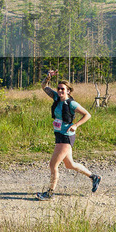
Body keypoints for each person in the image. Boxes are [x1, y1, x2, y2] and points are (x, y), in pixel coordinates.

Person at [36, 69, 100, 200]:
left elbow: (87, 114)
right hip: (59, 135)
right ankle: (94, 177)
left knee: (53, 165)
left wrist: (76, 125)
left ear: (68, 91)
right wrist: (47, 78)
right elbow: (44, 87)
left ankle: (49, 193)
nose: (60, 91)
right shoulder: (55, 97)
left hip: (66, 136)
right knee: (69, 165)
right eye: (59, 88)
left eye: (62, 89)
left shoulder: (72, 103)